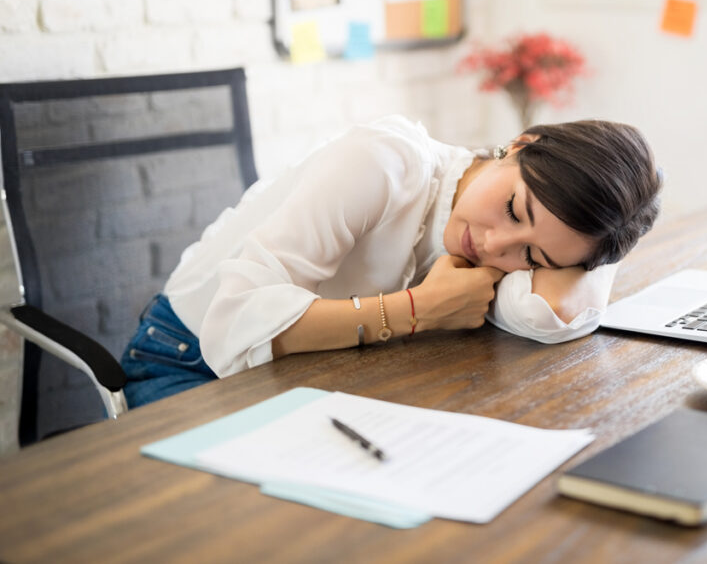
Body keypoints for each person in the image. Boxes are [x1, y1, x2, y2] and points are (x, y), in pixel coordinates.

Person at [120, 115, 662, 408]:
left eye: (532, 256)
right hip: (187, 361)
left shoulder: (501, 245)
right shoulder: (384, 162)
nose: (495, 248)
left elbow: (548, 313)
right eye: (513, 209)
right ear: (520, 143)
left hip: (301, 377)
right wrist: (419, 309)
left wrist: (600, 248)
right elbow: (233, 324)